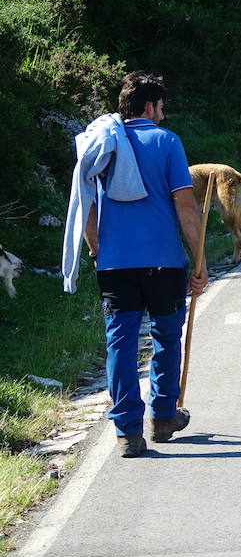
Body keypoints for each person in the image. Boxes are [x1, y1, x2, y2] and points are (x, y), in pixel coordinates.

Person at [79, 72, 209, 457]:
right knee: (167, 337)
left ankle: (127, 434)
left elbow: (85, 204)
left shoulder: (101, 143)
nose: (163, 116)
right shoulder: (166, 141)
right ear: (150, 106)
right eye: (162, 108)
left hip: (115, 265)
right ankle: (164, 417)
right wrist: (199, 260)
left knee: (120, 342)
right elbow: (185, 206)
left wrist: (96, 249)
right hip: (163, 264)